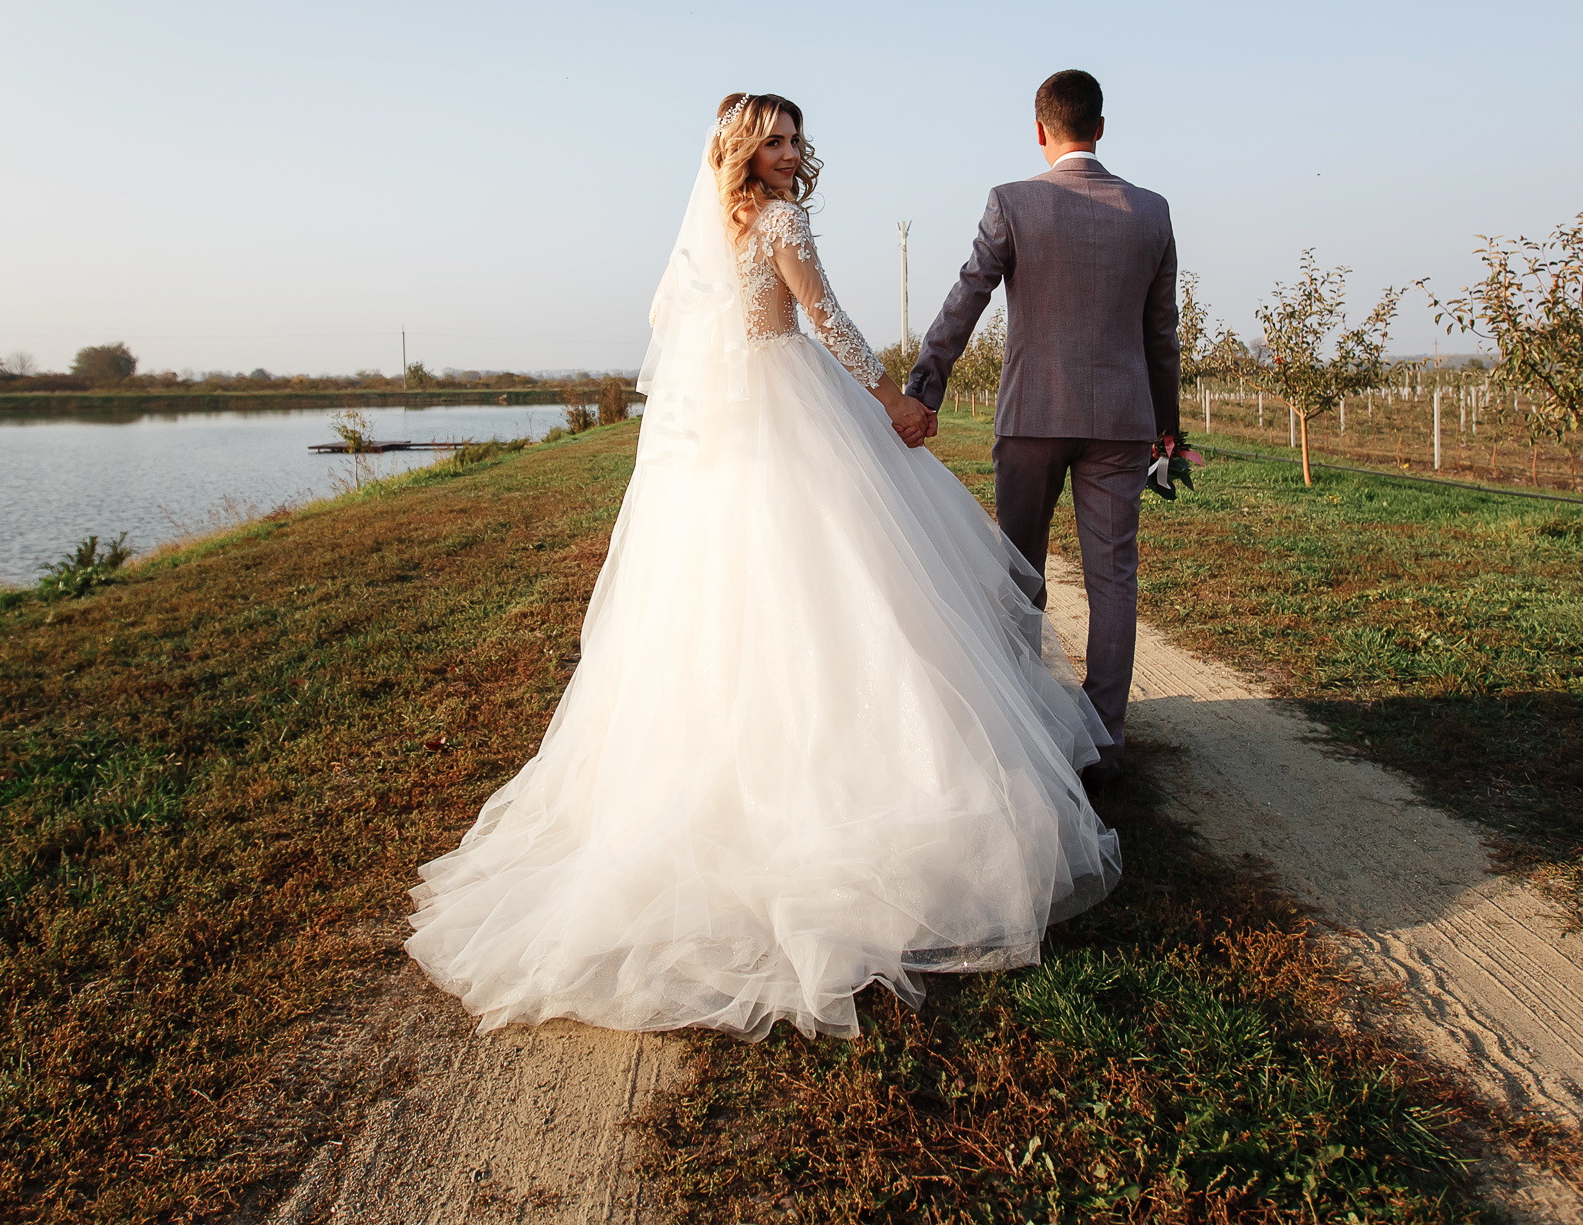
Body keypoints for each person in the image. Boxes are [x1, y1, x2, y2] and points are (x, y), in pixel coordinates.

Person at [405, 93, 1120, 1041]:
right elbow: (830, 321)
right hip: (795, 410)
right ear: (743, 151)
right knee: (845, 585)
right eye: (772, 141)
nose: (788, 155)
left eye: (793, 140)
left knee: (742, 600)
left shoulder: (721, 227)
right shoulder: (782, 220)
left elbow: (695, 331)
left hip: (741, 428)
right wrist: (894, 403)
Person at [906, 70, 1180, 786]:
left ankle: (1020, 720)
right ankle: (1106, 739)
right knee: (1113, 576)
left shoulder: (1013, 203)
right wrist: (1168, 427)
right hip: (1123, 421)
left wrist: (924, 386)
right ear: (1100, 126)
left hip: (1031, 416)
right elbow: (1162, 334)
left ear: (1040, 129)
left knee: (1020, 572)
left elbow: (966, 296)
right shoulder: (1152, 212)